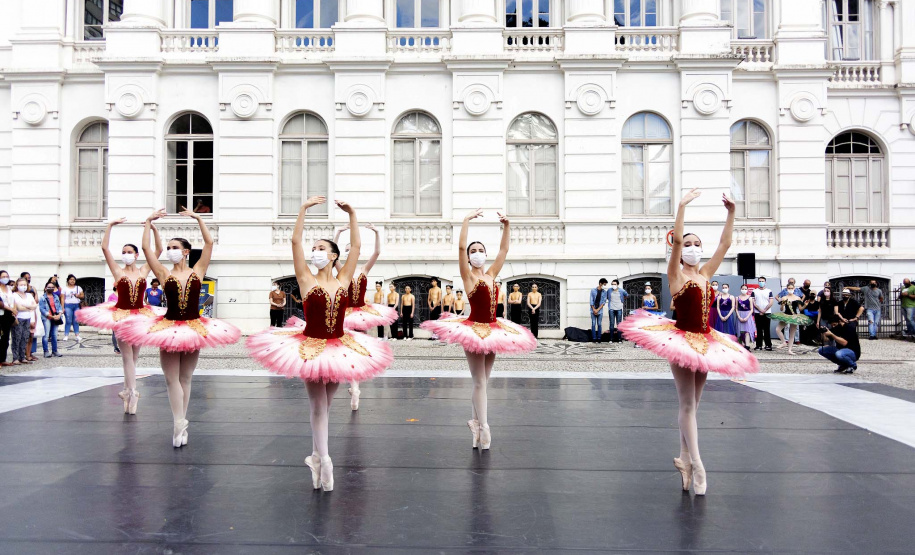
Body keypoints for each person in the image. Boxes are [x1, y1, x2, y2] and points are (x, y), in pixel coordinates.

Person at [619, 188, 759, 497]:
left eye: (698, 245)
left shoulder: (707, 273)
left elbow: (726, 244)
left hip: (708, 342)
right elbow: (678, 240)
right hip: (681, 340)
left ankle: (683, 458)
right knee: (686, 403)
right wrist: (681, 207)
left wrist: (732, 212)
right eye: (688, 245)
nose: (693, 248)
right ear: (680, 250)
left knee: (694, 406)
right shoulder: (676, 276)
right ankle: (697, 463)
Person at [246, 196, 392, 492]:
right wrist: (302, 210)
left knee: (325, 405)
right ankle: (325, 459)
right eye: (314, 249)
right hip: (310, 347)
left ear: (335, 256)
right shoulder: (305, 279)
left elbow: (359, 249)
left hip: (339, 348)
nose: (315, 252)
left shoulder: (344, 279)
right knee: (317, 406)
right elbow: (294, 243)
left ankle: (316, 456)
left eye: (321, 248)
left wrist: (352, 214)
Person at [117, 207, 241, 447]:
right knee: (171, 378)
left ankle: (182, 423)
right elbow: (146, 250)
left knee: (186, 377)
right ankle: (178, 423)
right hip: (170, 327)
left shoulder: (198, 271)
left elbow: (209, 242)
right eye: (169, 247)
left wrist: (198, 218)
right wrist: (147, 223)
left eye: (175, 248)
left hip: (194, 327)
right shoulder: (163, 273)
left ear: (185, 252)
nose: (171, 251)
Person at [421, 209, 537, 451]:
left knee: (484, 381)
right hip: (474, 330)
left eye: (480, 250)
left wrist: (507, 225)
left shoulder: (492, 275)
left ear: (485, 254)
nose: (476, 254)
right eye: (473, 251)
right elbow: (460, 248)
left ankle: (475, 424)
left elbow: (504, 251)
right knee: (478, 382)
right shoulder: (468, 277)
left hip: (494, 329)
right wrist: (465, 222)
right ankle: (484, 426)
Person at [77, 217, 165, 415]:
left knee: (134, 357)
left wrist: (153, 229)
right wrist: (109, 226)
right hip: (123, 315)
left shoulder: (143, 270)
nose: (125, 255)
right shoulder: (118, 271)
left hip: (141, 315)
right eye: (123, 252)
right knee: (127, 357)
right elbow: (105, 249)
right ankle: (133, 392)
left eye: (129, 252)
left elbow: (157, 251)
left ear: (135, 255)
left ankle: (127, 390)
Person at [332, 223, 397, 410]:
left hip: (352, 313)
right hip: (357, 313)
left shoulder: (351, 271)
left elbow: (376, 252)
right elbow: (333, 253)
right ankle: (355, 386)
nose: (347, 252)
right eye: (345, 250)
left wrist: (377, 232)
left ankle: (354, 385)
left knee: (352, 349)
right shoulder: (352, 270)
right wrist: (337, 233)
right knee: (357, 348)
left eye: (349, 249)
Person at [768, 283, 811, 355]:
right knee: (778, 329)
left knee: (792, 333)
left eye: (792, 288)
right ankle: (784, 342)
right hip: (786, 315)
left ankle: (789, 350)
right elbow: (781, 309)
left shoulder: (797, 298)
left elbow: (800, 309)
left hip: (794, 316)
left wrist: (805, 305)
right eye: (789, 288)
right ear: (787, 289)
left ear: (794, 289)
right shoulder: (784, 297)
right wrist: (782, 304)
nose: (790, 290)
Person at [38, 281, 63, 358]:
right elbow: (42, 309)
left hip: (56, 317)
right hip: (47, 318)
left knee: (54, 335)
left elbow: (59, 307)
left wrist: (59, 314)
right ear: (45, 288)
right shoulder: (42, 298)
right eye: (49, 287)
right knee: (46, 335)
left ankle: (55, 351)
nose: (51, 289)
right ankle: (46, 351)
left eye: (52, 287)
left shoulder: (55, 297)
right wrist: (51, 316)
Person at [752, 277, 775, 351]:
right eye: (760, 281)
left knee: (766, 329)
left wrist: (764, 310)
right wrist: (760, 310)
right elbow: (753, 302)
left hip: (767, 313)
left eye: (762, 281)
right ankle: (759, 345)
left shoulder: (769, 291)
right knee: (759, 329)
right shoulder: (754, 291)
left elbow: (771, 302)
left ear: (765, 282)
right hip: (757, 313)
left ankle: (768, 345)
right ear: (758, 282)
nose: (761, 282)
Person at [60, 275, 84, 342]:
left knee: (76, 320)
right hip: (67, 305)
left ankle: (77, 335)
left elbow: (82, 296)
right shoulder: (64, 289)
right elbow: (62, 298)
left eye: (73, 279)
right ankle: (66, 335)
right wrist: (62, 307)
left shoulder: (78, 288)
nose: (72, 281)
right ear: (68, 280)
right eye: (71, 279)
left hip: (76, 305)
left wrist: (78, 295)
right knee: (68, 320)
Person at [0, 271, 15, 366]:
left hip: (8, 315)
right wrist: (10, 308)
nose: (5, 278)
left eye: (7, 276)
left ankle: (2, 358)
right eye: (3, 276)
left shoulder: (9, 288)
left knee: (5, 338)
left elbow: (13, 300)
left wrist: (13, 310)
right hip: (1, 314)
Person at [735, 284, 756, 349]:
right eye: (742, 289)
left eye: (745, 289)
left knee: (747, 331)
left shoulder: (750, 298)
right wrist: (739, 317)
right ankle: (741, 345)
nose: (744, 290)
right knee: (740, 331)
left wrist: (747, 317)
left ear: (747, 290)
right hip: (740, 314)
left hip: (747, 315)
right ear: (740, 289)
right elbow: (736, 308)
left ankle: (747, 346)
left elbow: (752, 309)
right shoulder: (737, 298)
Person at [108, 285, 120, 353]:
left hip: (122, 315)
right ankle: (116, 347)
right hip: (114, 315)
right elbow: (109, 306)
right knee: (115, 332)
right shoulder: (111, 296)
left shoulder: (123, 295)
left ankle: (123, 347)